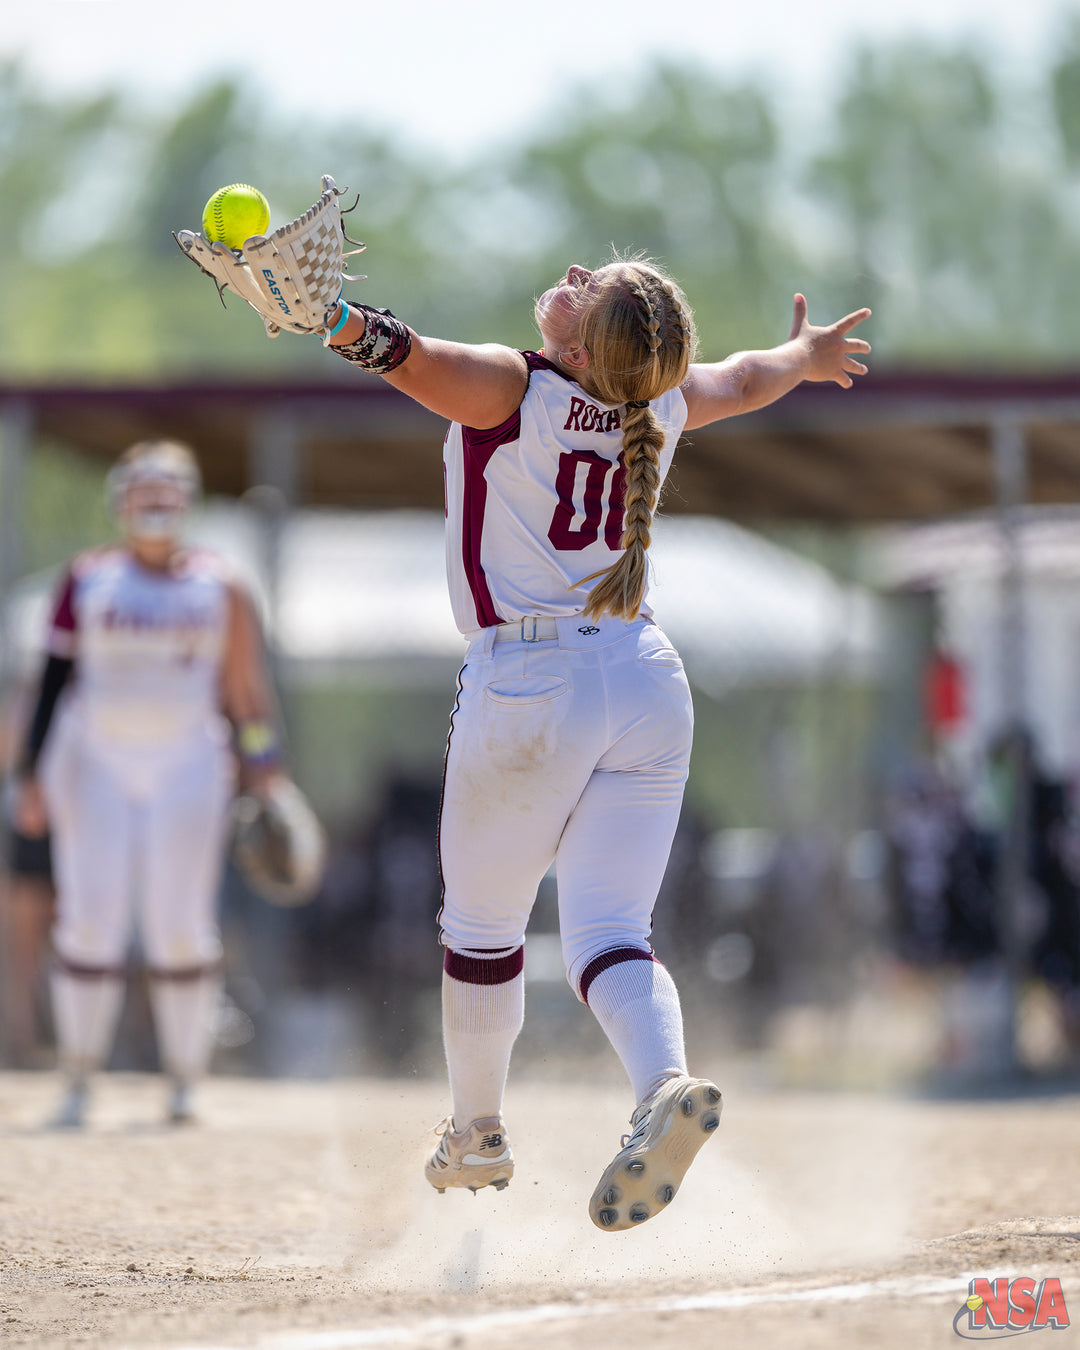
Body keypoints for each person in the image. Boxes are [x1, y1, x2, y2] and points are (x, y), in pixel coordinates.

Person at [322, 259, 870, 1230]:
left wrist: (324, 310)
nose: (570, 275)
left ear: (579, 346)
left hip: (531, 681)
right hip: (646, 676)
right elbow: (746, 377)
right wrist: (807, 355)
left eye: (588, 286)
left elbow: (405, 357)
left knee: (483, 932)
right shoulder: (657, 398)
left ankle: (476, 1130)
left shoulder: (516, 384)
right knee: (612, 932)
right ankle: (662, 1086)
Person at [12, 439, 288, 1127]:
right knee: (90, 917)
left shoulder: (219, 584)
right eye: (143, 491)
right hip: (93, 761)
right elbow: (50, 684)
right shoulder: (86, 579)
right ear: (121, 501)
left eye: (169, 492)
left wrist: (267, 769)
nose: (156, 504)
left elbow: (248, 694)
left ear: (189, 503)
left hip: (188, 761)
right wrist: (29, 776)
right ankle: (78, 1075)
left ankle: (183, 1079)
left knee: (179, 923)